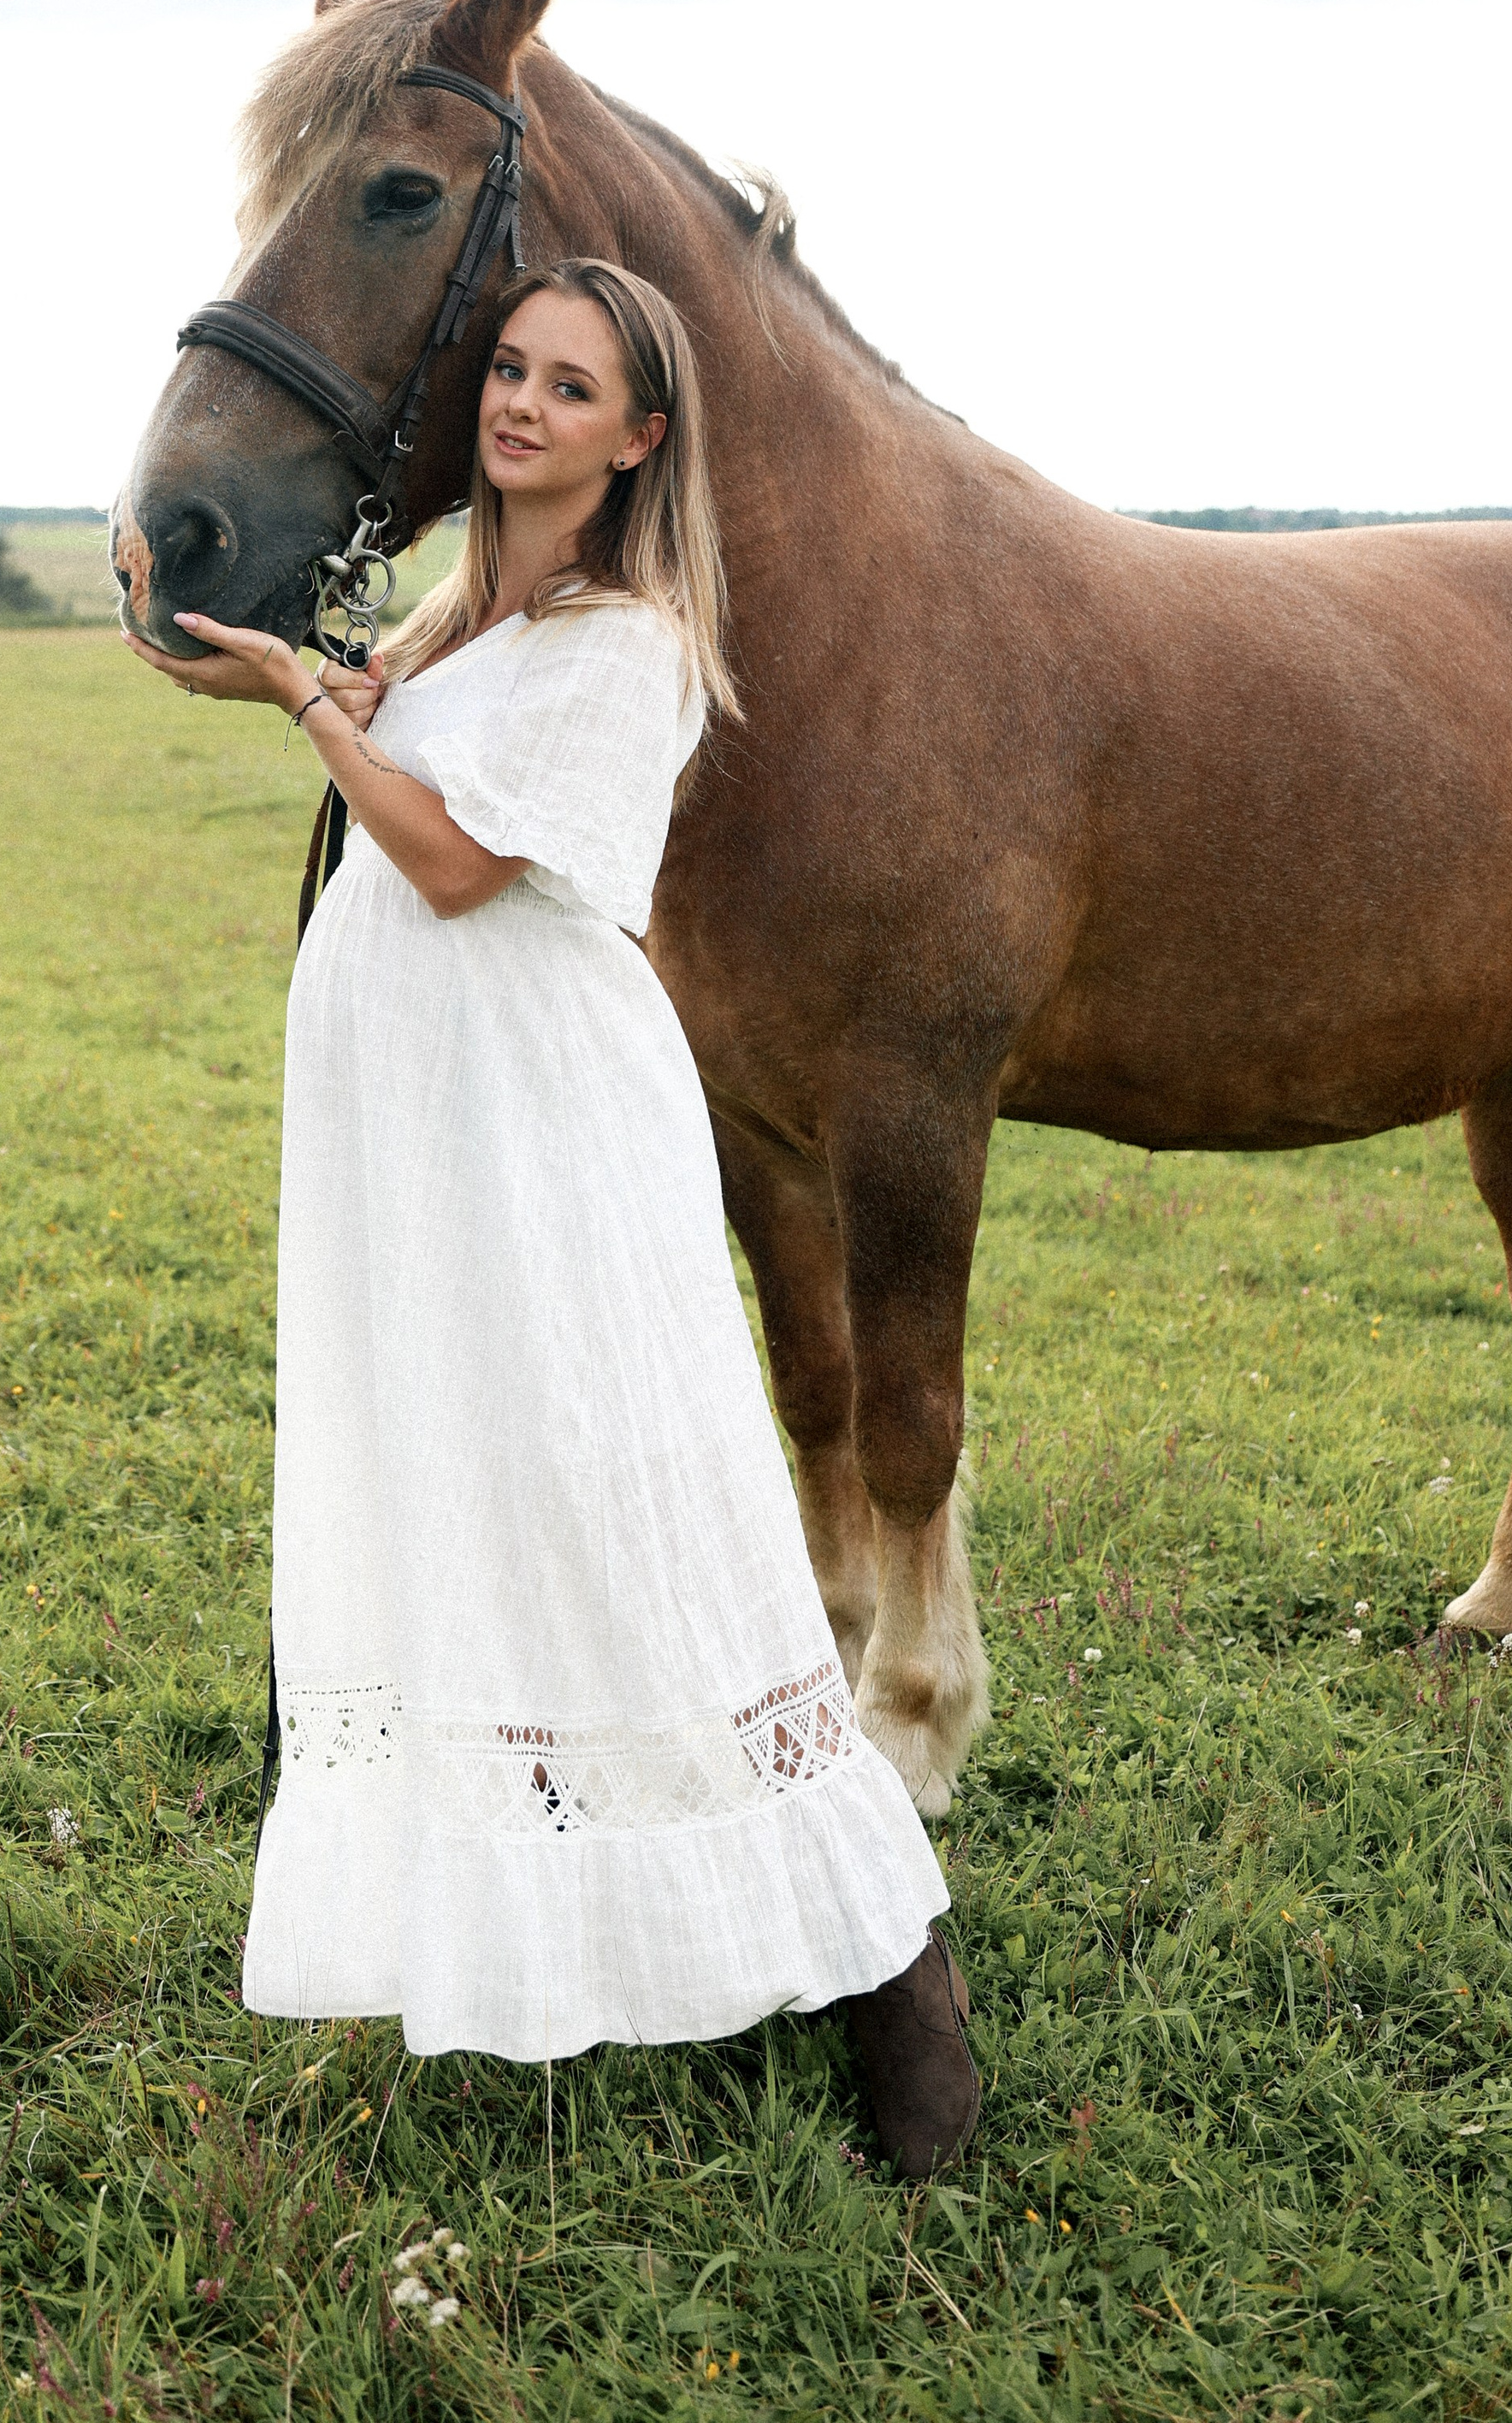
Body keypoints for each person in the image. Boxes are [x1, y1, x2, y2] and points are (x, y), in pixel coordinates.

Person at [129, 257, 977, 2172]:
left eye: (568, 386)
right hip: (430, 1136)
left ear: (636, 436)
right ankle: (561, 1932)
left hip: (545, 1122)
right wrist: (218, 620)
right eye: (507, 370)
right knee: (482, 1504)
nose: (518, 405)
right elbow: (395, 740)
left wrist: (304, 708)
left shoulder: (629, 634)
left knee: (634, 1507)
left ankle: (896, 1980)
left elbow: (442, 861)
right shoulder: (457, 621)